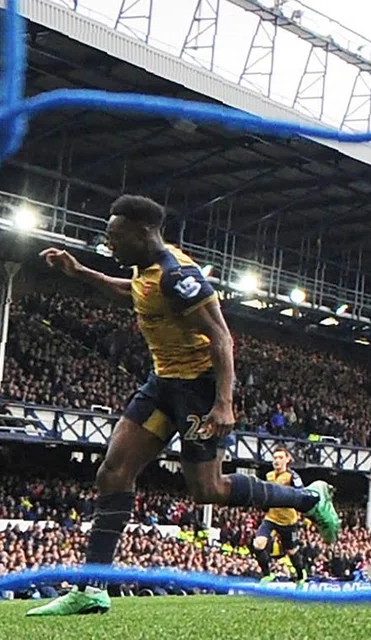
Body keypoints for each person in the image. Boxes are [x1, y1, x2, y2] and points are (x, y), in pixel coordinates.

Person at [26, 195, 339, 616]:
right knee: (113, 473)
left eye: (115, 236)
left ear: (143, 232)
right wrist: (81, 271)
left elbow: (222, 337)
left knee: (207, 490)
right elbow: (137, 295)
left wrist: (225, 403)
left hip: (197, 389)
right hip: (162, 383)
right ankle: (91, 587)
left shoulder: (178, 275)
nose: (109, 243)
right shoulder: (145, 270)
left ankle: (307, 499)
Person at [253, 447, 308, 584]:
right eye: (275, 458)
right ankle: (267, 574)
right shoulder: (269, 476)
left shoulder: (292, 477)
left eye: (280, 458)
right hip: (271, 518)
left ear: (287, 459)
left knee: (291, 551)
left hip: (288, 521)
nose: (277, 460)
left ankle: (301, 576)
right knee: (258, 544)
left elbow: (302, 494)